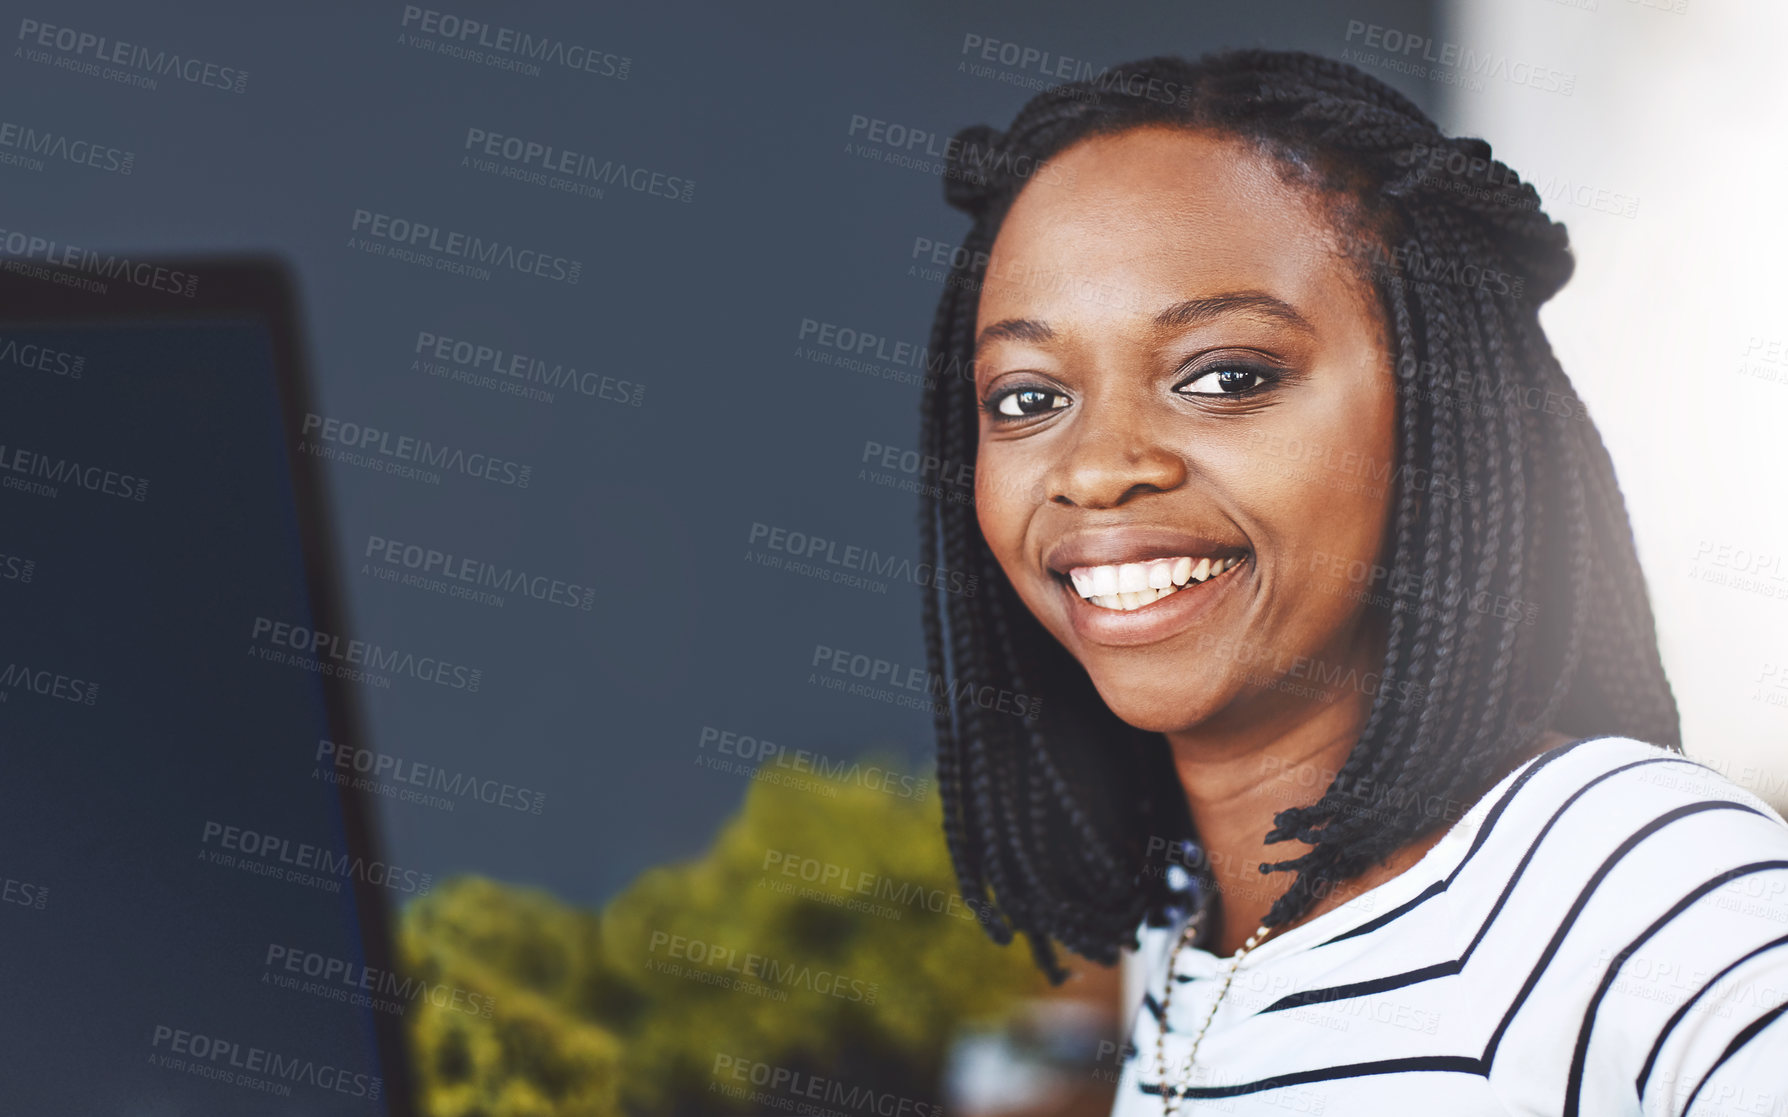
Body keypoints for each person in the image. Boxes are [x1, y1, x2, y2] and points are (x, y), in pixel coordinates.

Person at [914, 49, 1788, 1114]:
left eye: (1228, 377)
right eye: (1026, 398)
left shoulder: (1642, 882)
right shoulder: (1179, 928)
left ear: (1438, 416)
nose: (1097, 467)